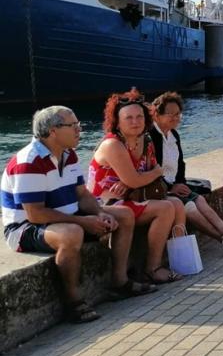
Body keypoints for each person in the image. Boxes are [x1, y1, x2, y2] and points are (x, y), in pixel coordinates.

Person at [2, 106, 155, 323]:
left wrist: (100, 213)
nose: (79, 130)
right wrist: (82, 221)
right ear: (53, 131)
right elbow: (35, 213)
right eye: (73, 126)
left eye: (78, 125)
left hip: (65, 214)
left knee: (124, 215)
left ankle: (120, 282)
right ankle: (73, 302)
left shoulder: (68, 154)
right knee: (72, 233)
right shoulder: (29, 161)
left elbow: (82, 194)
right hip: (25, 228)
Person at [88, 89, 186, 284]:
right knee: (165, 208)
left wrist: (134, 180)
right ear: (117, 121)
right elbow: (146, 175)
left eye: (139, 116)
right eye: (129, 118)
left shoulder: (145, 139)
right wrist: (147, 175)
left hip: (132, 197)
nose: (135, 121)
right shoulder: (113, 145)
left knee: (176, 204)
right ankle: (153, 268)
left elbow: (144, 178)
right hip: (108, 203)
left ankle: (181, 260)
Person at [149, 92, 223, 250]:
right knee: (189, 207)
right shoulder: (151, 137)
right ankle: (222, 237)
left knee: (199, 200)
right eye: (171, 114)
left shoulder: (173, 134)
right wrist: (170, 188)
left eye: (178, 114)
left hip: (172, 184)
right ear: (157, 115)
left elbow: (180, 164)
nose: (176, 118)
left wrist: (180, 183)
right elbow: (152, 169)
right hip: (159, 188)